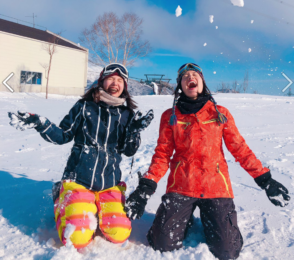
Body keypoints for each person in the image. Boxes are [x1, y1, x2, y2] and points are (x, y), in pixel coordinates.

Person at [125, 63, 290, 260]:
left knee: (227, 251)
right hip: (181, 186)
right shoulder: (170, 117)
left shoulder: (220, 113)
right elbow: (162, 155)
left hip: (216, 186)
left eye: (194, 75)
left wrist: (265, 179)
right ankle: (184, 219)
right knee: (162, 243)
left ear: (202, 82)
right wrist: (145, 187)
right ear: (180, 86)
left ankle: (215, 220)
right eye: (185, 77)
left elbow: (240, 149)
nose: (190, 78)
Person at [8, 63, 154, 249]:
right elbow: (63, 135)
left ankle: (95, 206)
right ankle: (64, 197)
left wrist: (133, 131)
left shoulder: (127, 114)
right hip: (79, 180)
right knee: (76, 239)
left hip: (110, 184)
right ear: (102, 81)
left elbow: (128, 151)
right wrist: (40, 123)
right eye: (111, 78)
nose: (115, 83)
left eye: (120, 80)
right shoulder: (84, 107)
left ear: (124, 86)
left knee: (119, 234)